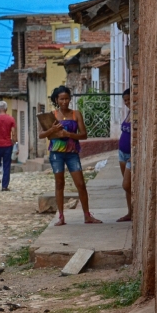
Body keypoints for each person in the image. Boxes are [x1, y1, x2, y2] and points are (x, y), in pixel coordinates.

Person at [39, 85, 101, 226]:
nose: (65, 102)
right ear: (56, 100)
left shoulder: (76, 114)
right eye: (61, 99)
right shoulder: (52, 115)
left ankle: (87, 215)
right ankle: (61, 216)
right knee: (59, 184)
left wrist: (69, 135)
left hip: (72, 153)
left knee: (80, 184)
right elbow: (41, 135)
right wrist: (52, 129)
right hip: (56, 154)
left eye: (67, 98)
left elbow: (84, 135)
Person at [117, 88, 132, 222]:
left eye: (129, 99)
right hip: (122, 154)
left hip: (130, 156)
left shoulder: (138, 114)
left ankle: (137, 207)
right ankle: (130, 212)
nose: (127, 102)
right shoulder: (129, 113)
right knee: (127, 187)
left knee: (127, 185)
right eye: (125, 100)